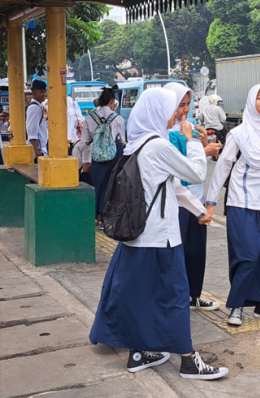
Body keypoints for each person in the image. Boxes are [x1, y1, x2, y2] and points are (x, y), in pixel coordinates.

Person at [89, 87, 229, 380]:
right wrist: (191, 140)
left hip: (138, 236)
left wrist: (197, 211)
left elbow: (172, 188)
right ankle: (189, 360)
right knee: (176, 296)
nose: (177, 114)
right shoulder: (158, 146)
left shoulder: (138, 144)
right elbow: (194, 174)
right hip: (162, 238)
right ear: (157, 112)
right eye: (172, 108)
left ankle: (139, 352)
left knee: (139, 295)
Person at [205, 84, 260, 327]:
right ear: (251, 102)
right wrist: (210, 202)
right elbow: (223, 166)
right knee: (247, 256)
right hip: (241, 202)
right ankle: (236, 305)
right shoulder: (239, 134)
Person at [165, 82, 223, 312]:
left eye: (188, 104)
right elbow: (180, 168)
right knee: (177, 253)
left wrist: (206, 148)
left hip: (195, 199)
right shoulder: (165, 134)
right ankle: (177, 297)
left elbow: (199, 170)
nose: (185, 110)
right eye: (180, 105)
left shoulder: (192, 128)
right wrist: (203, 150)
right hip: (177, 202)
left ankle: (193, 295)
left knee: (196, 250)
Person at [82, 88, 126, 225]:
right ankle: (108, 214)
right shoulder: (117, 118)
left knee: (97, 183)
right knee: (112, 184)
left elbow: (86, 141)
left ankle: (95, 214)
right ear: (112, 101)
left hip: (97, 154)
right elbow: (122, 140)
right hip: (114, 153)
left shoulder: (89, 117)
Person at [26, 80, 48, 158]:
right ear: (34, 93)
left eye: (45, 92)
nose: (44, 94)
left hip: (40, 149)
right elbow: (32, 128)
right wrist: (36, 149)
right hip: (37, 151)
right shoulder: (34, 108)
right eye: (41, 92)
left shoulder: (38, 106)